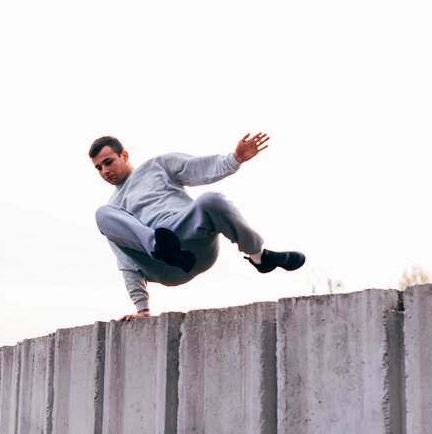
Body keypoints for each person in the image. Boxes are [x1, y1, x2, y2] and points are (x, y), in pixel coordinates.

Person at [89, 133, 306, 320]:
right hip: (161, 263)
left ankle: (260, 257)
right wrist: (142, 308)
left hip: (190, 237)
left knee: (211, 199)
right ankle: (158, 245)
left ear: (124, 155)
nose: (104, 171)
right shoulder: (115, 211)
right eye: (98, 168)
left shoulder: (157, 166)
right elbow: (125, 261)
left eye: (108, 162)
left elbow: (198, 168)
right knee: (102, 214)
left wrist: (235, 158)